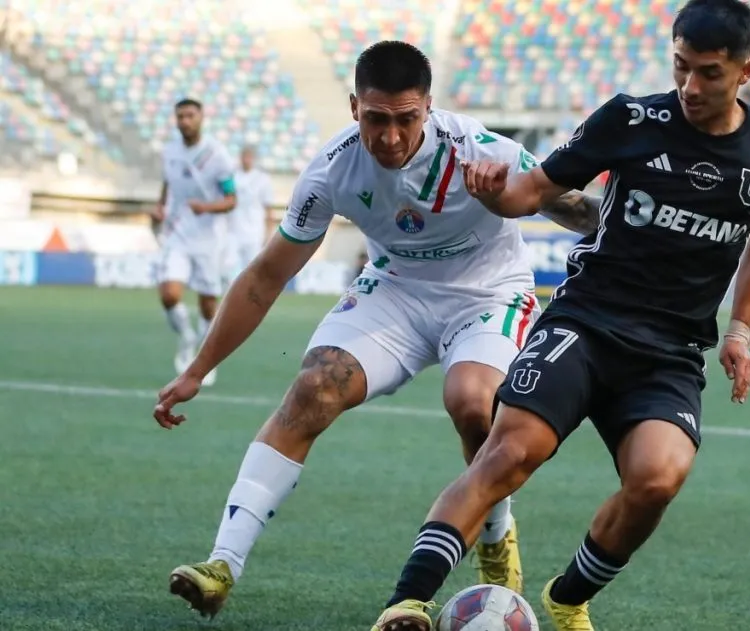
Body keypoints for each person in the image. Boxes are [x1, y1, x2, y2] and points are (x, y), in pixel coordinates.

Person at [369, 1, 750, 629]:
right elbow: (532, 191)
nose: (690, 86)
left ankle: (568, 596)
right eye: (680, 66)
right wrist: (496, 193)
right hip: (585, 323)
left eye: (709, 72)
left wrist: (740, 330)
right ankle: (406, 602)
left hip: (670, 351)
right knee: (508, 453)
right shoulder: (630, 118)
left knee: (658, 479)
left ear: (746, 71)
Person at [151, 41, 601, 620]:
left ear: (429, 108)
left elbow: (573, 208)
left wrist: (647, 228)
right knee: (314, 387)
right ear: (353, 108)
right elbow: (265, 277)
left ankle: (495, 536)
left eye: (406, 119)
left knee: (472, 402)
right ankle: (222, 564)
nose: (390, 137)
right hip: (395, 289)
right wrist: (197, 369)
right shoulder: (332, 169)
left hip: (488, 293)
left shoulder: (479, 149)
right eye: (375, 119)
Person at [153, 98, 237, 387]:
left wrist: (206, 207)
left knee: (208, 304)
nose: (185, 121)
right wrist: (160, 208)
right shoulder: (170, 151)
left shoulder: (217, 155)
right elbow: (166, 187)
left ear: (201, 118)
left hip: (209, 239)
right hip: (177, 234)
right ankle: (187, 337)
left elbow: (231, 200)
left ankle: (204, 357)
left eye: (190, 115)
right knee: (169, 295)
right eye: (180, 116)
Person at [224, 146, 274, 283]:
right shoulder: (232, 176)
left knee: (253, 268)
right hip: (233, 231)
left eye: (249, 157)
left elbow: (268, 208)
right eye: (244, 156)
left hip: (254, 232)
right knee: (230, 266)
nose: (246, 160)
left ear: (253, 158)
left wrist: (268, 233)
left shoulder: (262, 179)